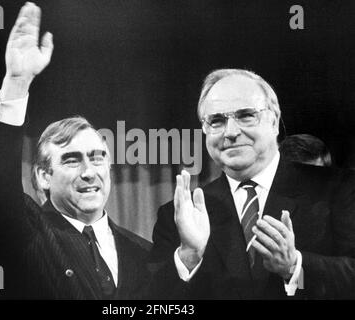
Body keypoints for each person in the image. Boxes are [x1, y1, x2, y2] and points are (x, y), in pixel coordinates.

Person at [0, 2, 151, 299]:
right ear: (43, 176)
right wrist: (17, 83)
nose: (89, 172)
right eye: (71, 160)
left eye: (98, 157)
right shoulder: (26, 233)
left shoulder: (144, 252)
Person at [149, 69, 355, 299]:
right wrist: (190, 255)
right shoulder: (177, 215)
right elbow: (158, 301)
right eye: (216, 121)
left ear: (274, 121)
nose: (231, 132)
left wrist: (295, 268)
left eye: (246, 115)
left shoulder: (339, 189)